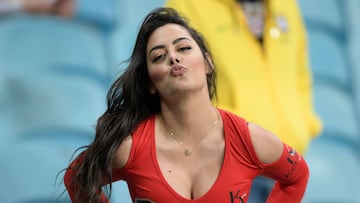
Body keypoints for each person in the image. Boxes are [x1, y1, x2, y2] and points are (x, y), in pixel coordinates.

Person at [63, 7, 309, 203]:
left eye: (183, 47)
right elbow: (77, 178)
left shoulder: (249, 140)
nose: (173, 57)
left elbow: (298, 176)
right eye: (158, 56)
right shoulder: (130, 146)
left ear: (208, 63)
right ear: (150, 82)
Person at [164, 0, 322, 202]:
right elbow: (178, 90)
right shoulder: (186, 5)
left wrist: (303, 125)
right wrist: (236, 136)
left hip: (287, 165)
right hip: (227, 166)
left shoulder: (287, 4)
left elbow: (300, 73)